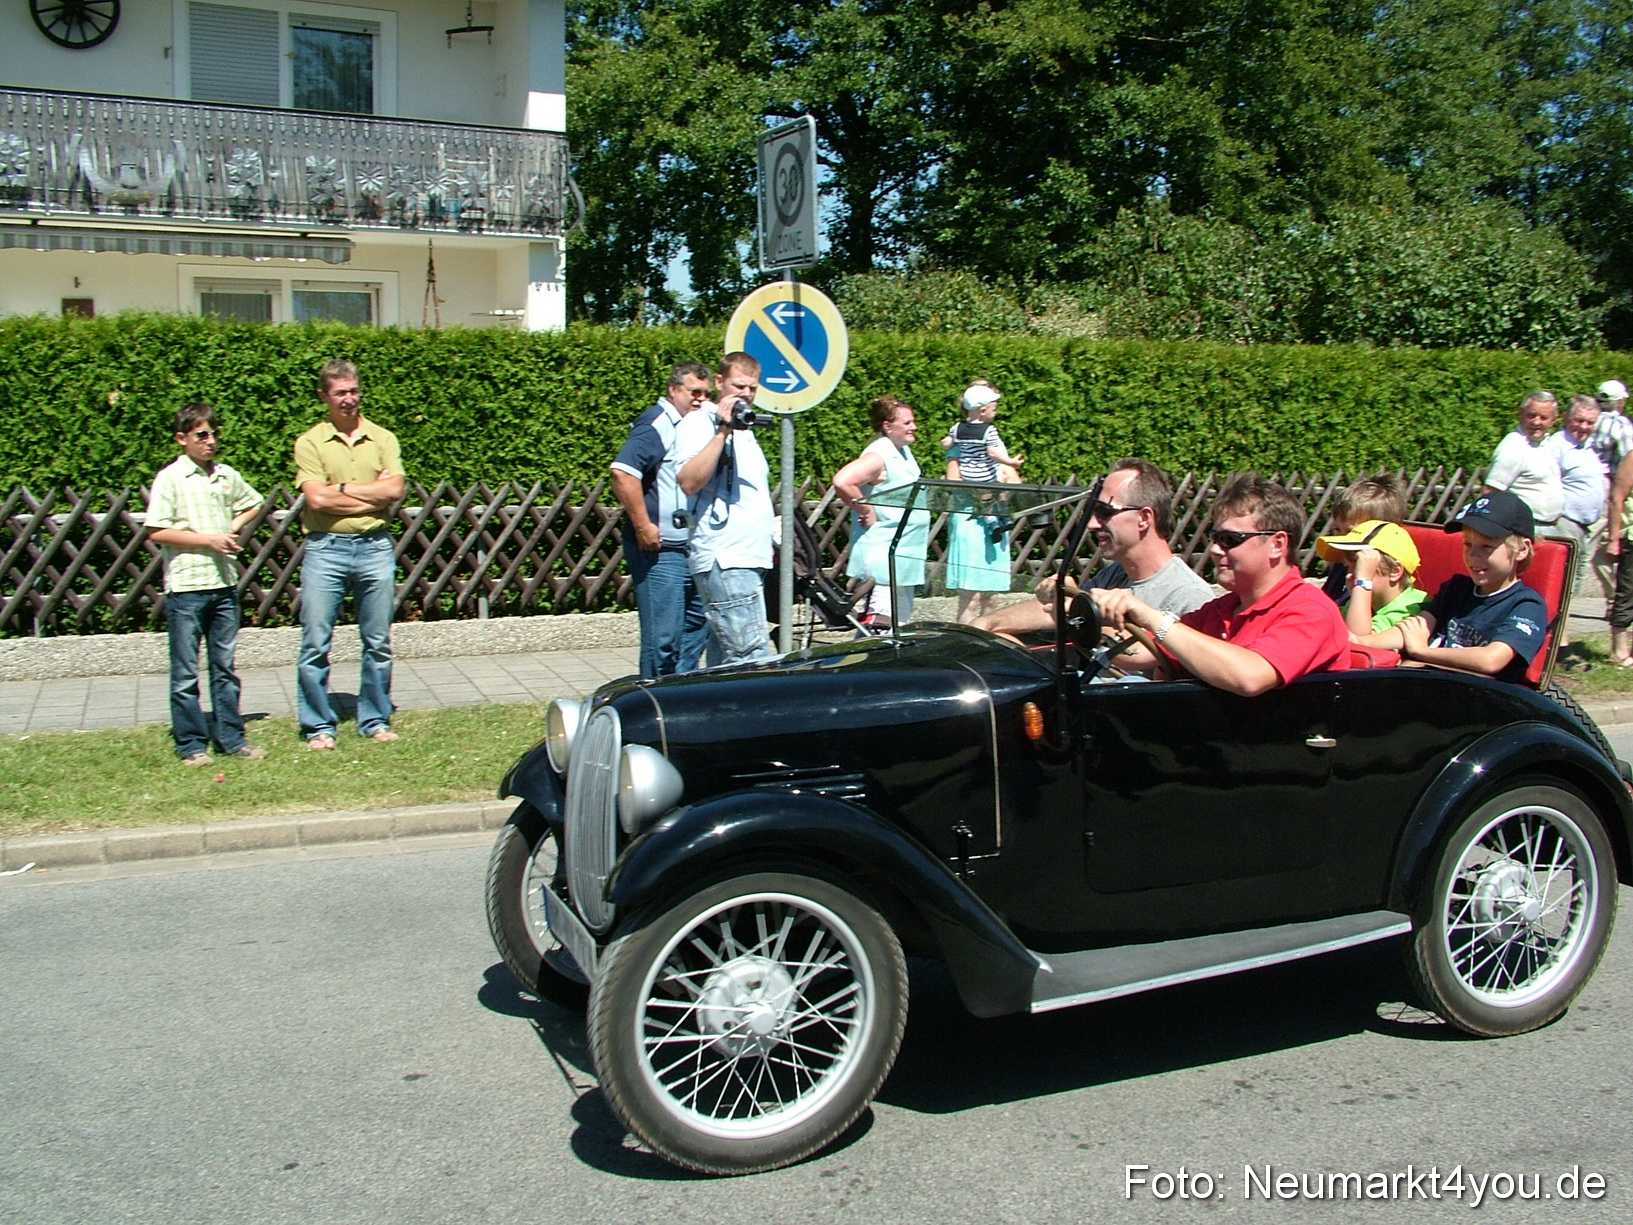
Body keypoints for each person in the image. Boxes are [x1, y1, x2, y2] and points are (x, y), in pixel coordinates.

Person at [1095, 475, 1350, 696]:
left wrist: (1155, 619)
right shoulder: (1220, 610)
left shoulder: (1310, 610)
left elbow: (1249, 677)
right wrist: (1088, 619)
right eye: (1215, 538)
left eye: (1230, 539)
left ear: (1277, 544)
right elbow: (1140, 653)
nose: (1215, 550)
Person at [145, 403, 267, 766]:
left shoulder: (226, 475)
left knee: (224, 668)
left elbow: (255, 503)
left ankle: (231, 738)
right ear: (182, 439)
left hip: (224, 584)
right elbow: (156, 531)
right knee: (185, 673)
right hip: (186, 588)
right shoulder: (170, 478)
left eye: (214, 434)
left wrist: (231, 528)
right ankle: (191, 745)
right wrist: (207, 540)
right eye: (201, 435)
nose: (210, 441)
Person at [294, 360, 405, 750]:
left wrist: (339, 489)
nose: (349, 399)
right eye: (340, 392)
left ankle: (374, 718)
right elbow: (316, 498)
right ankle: (318, 726)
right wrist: (367, 496)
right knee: (316, 642)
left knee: (377, 641)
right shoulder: (310, 442)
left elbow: (394, 492)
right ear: (324, 396)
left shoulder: (383, 438)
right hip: (326, 548)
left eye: (354, 391)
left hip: (375, 547)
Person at [972, 458, 1211, 639]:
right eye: (1092, 511)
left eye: (1105, 512)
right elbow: (1053, 612)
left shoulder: (1188, 595)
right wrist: (987, 624)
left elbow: (1148, 655)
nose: (1092, 523)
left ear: (1144, 518)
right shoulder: (1116, 574)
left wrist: (1073, 611)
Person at [1357, 491, 1547, 684]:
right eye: (1468, 544)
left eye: (1487, 546)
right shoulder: (1457, 588)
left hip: (1482, 696)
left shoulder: (1526, 605)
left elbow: (1492, 660)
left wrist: (1422, 651)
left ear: (1522, 549)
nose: (1473, 555)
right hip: (1430, 683)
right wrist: (1362, 642)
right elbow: (1415, 629)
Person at [610, 362, 713, 678]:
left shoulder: (694, 424)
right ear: (673, 390)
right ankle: (654, 702)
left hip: (691, 548)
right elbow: (623, 473)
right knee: (663, 639)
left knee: (697, 628)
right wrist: (643, 526)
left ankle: (681, 696)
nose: (700, 399)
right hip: (661, 550)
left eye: (706, 394)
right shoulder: (658, 423)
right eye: (694, 392)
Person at [673, 353, 777, 665]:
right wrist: (721, 432)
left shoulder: (745, 429)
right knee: (751, 659)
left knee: (725, 665)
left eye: (753, 388)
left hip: (747, 557)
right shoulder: (699, 422)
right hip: (727, 557)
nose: (746, 394)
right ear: (719, 382)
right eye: (738, 386)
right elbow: (688, 481)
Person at [831, 397, 929, 628]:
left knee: (895, 625)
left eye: (913, 421)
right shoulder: (879, 454)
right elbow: (843, 481)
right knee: (881, 627)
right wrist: (865, 509)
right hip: (884, 559)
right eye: (906, 423)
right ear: (888, 426)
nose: (913, 427)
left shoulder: (901, 450)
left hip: (901, 557)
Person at [943, 381, 1023, 623]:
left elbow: (1012, 479)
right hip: (969, 518)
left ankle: (987, 643)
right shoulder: (959, 441)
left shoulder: (992, 438)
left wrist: (1007, 488)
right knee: (971, 595)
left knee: (992, 595)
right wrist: (984, 493)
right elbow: (953, 480)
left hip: (995, 519)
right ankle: (965, 644)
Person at [1543, 394, 1607, 668]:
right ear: (1567, 418)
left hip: (1583, 526)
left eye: (1590, 422)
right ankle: (1558, 648)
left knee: (1572, 589)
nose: (1583, 426)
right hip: (1564, 522)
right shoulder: (1557, 446)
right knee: (1562, 587)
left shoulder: (1587, 447)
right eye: (1579, 420)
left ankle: (1561, 644)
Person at [1314, 520, 1427, 636]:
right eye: (1348, 567)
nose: (1349, 575)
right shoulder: (1367, 600)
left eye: (1360, 567)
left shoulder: (1411, 607)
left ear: (1394, 571)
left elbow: (1359, 640)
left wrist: (1363, 583)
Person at [1318, 474, 1409, 602]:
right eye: (1337, 530)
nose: (1340, 539)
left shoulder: (1384, 579)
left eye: (1351, 532)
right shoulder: (1342, 566)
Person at [1484, 390, 1563, 531]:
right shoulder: (1513, 446)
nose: (1536, 422)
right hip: (1523, 528)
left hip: (1548, 527)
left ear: (1553, 420)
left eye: (1543, 417)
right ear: (1521, 414)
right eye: (1531, 415)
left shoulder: (1547, 445)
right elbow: (1491, 492)